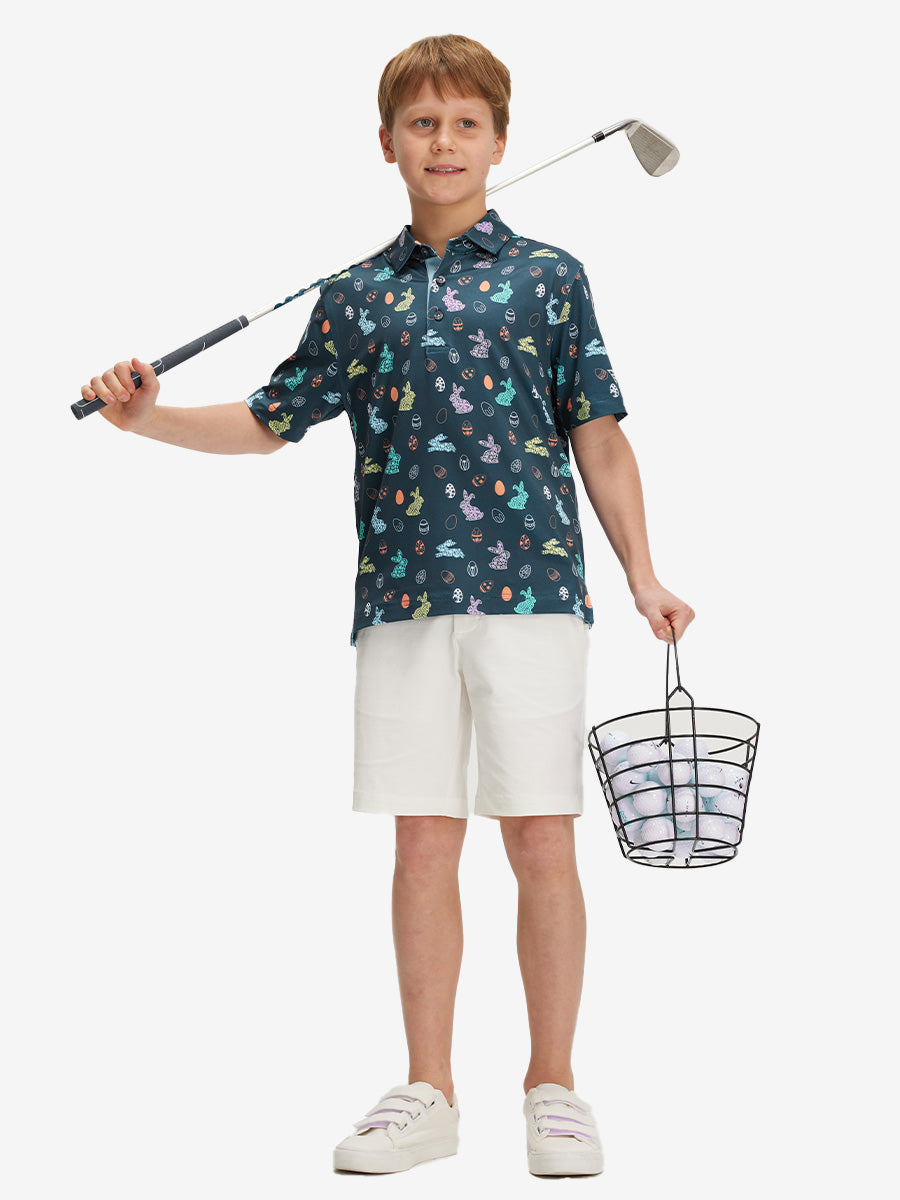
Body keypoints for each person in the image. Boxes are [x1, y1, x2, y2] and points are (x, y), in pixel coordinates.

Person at [81, 33, 694, 1178]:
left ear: (499, 142)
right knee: (422, 843)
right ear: (387, 144)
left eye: (465, 124)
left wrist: (642, 573)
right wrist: (147, 418)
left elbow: (599, 434)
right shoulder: (356, 296)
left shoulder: (550, 278)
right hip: (403, 601)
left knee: (541, 836)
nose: (443, 142)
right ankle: (429, 1093)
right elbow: (269, 420)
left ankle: (553, 1087)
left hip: (532, 595)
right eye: (422, 124)